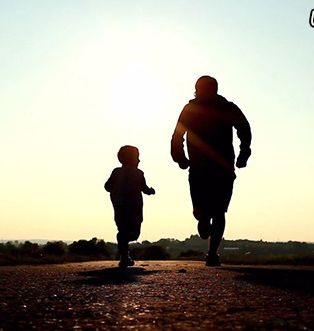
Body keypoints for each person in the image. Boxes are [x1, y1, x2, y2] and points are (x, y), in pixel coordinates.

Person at [171, 76, 252, 266]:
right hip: (204, 167)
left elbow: (244, 130)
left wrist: (244, 154)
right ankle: (204, 222)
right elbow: (178, 135)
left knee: (219, 211)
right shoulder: (193, 109)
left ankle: (212, 253)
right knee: (208, 211)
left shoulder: (225, 107)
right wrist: (180, 157)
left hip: (219, 167)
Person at [105, 145, 155, 268]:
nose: (139, 161)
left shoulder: (116, 172)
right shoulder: (138, 173)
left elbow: (107, 186)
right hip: (134, 207)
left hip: (119, 206)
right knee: (134, 232)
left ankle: (124, 256)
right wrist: (151, 191)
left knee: (122, 229)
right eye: (137, 158)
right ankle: (124, 249)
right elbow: (144, 188)